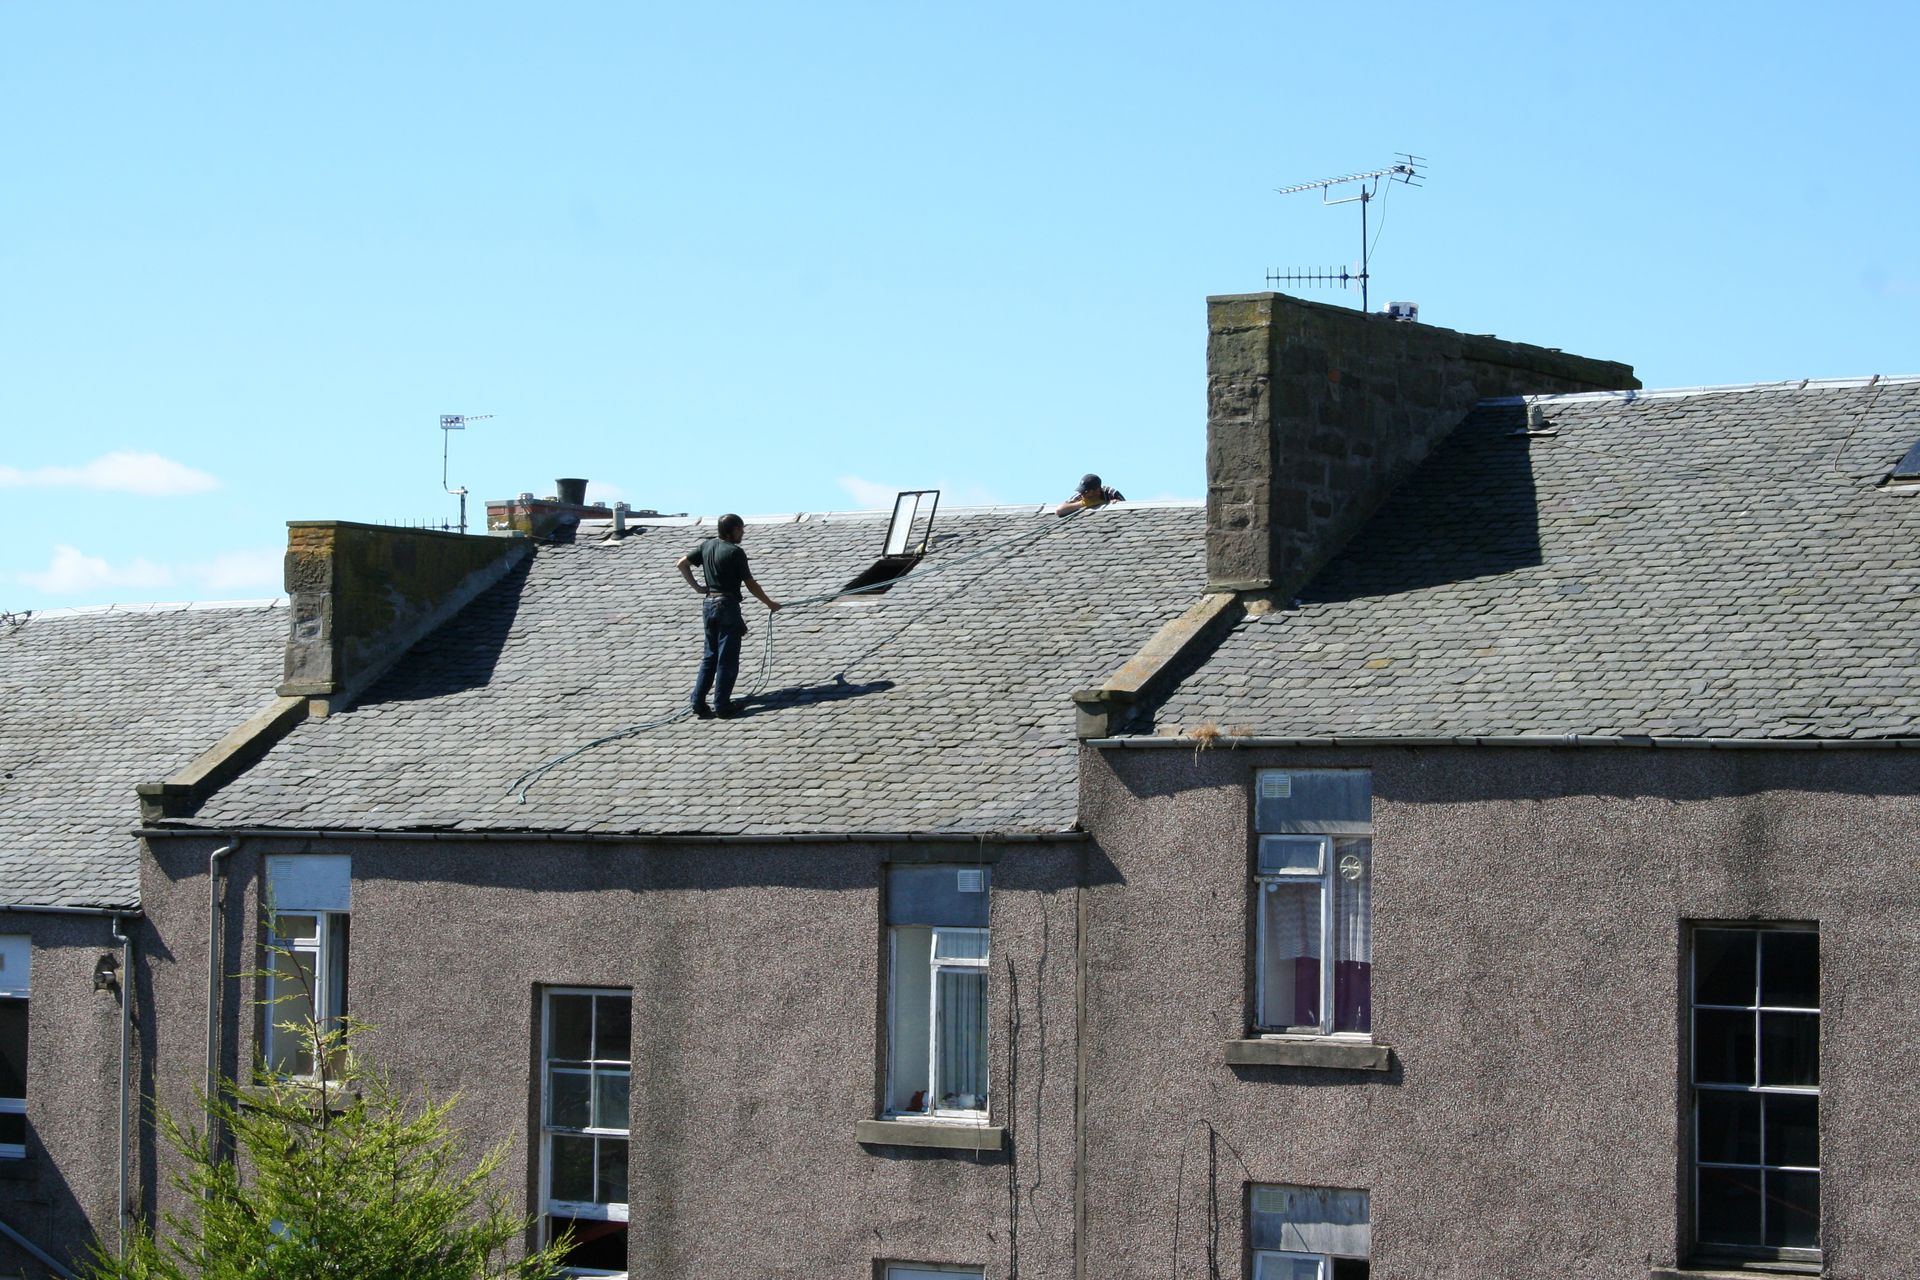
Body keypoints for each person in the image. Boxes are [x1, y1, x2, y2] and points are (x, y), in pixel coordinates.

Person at [677, 514, 782, 719]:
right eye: (740, 529)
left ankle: (698, 703)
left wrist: (698, 588)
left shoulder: (706, 546)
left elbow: (682, 564)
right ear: (731, 530)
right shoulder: (735, 552)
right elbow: (750, 584)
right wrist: (770, 603)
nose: (742, 532)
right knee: (727, 658)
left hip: (708, 604)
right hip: (727, 605)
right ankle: (722, 705)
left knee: (710, 656)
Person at [1055, 473, 1125, 516]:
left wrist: (1114, 504)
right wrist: (1082, 503)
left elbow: (1125, 508)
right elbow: (1059, 510)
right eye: (1081, 491)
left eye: (1085, 492)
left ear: (1097, 490)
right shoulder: (1080, 496)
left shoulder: (1111, 493)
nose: (1082, 494)